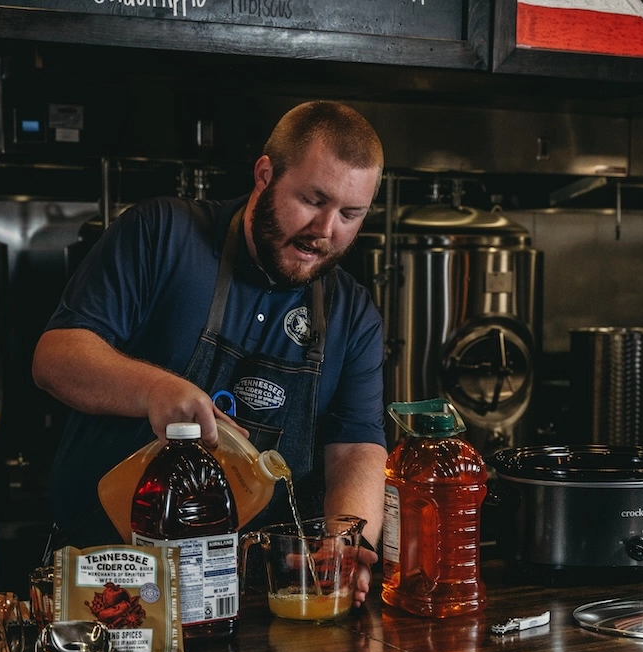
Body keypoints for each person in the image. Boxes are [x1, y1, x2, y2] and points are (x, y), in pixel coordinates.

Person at [32, 100, 388, 607]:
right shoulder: (163, 236)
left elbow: (357, 448)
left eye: (350, 214)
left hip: (256, 598)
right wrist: (156, 389)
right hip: (107, 585)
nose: (326, 231)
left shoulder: (352, 313)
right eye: (312, 200)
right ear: (265, 174)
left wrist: (344, 543)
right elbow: (55, 357)